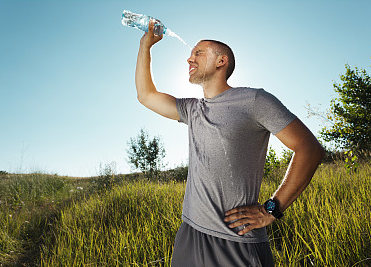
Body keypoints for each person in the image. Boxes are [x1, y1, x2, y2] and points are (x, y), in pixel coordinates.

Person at [135, 20, 325, 267]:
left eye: (198, 53)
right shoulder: (192, 110)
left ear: (220, 61)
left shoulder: (254, 100)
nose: (189, 59)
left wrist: (272, 208)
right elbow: (146, 95)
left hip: (237, 241)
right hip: (190, 233)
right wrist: (145, 46)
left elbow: (309, 149)